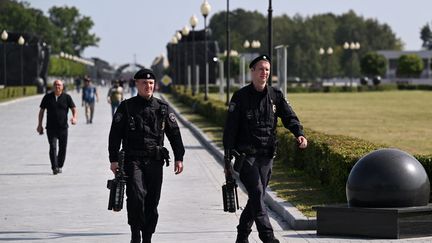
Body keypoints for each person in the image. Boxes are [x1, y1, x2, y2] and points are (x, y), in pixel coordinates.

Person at [223, 55, 308, 243]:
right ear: (252, 71)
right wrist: (227, 159)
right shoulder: (240, 97)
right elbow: (230, 130)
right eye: (261, 69)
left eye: (267, 70)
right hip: (247, 159)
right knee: (257, 195)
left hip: (267, 157)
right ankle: (269, 238)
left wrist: (299, 133)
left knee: (256, 197)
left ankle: (241, 236)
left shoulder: (275, 95)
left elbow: (289, 117)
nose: (265, 73)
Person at [108, 68, 185, 243]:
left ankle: (147, 237)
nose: (148, 86)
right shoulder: (126, 107)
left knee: (152, 201)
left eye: (151, 83)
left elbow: (175, 134)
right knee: (136, 196)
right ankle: (135, 233)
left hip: (155, 161)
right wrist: (113, 159)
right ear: (136, 84)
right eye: (144, 83)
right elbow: (115, 135)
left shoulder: (163, 108)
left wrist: (179, 157)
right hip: (132, 160)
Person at [37, 79, 78, 175]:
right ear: (52, 86)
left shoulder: (67, 97)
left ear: (62, 87)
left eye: (59, 85)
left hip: (63, 128)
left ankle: (59, 165)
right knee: (52, 147)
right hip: (51, 128)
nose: (57, 86)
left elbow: (74, 108)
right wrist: (39, 125)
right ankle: (54, 167)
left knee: (63, 148)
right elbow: (41, 111)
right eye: (55, 85)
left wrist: (74, 118)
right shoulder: (47, 97)